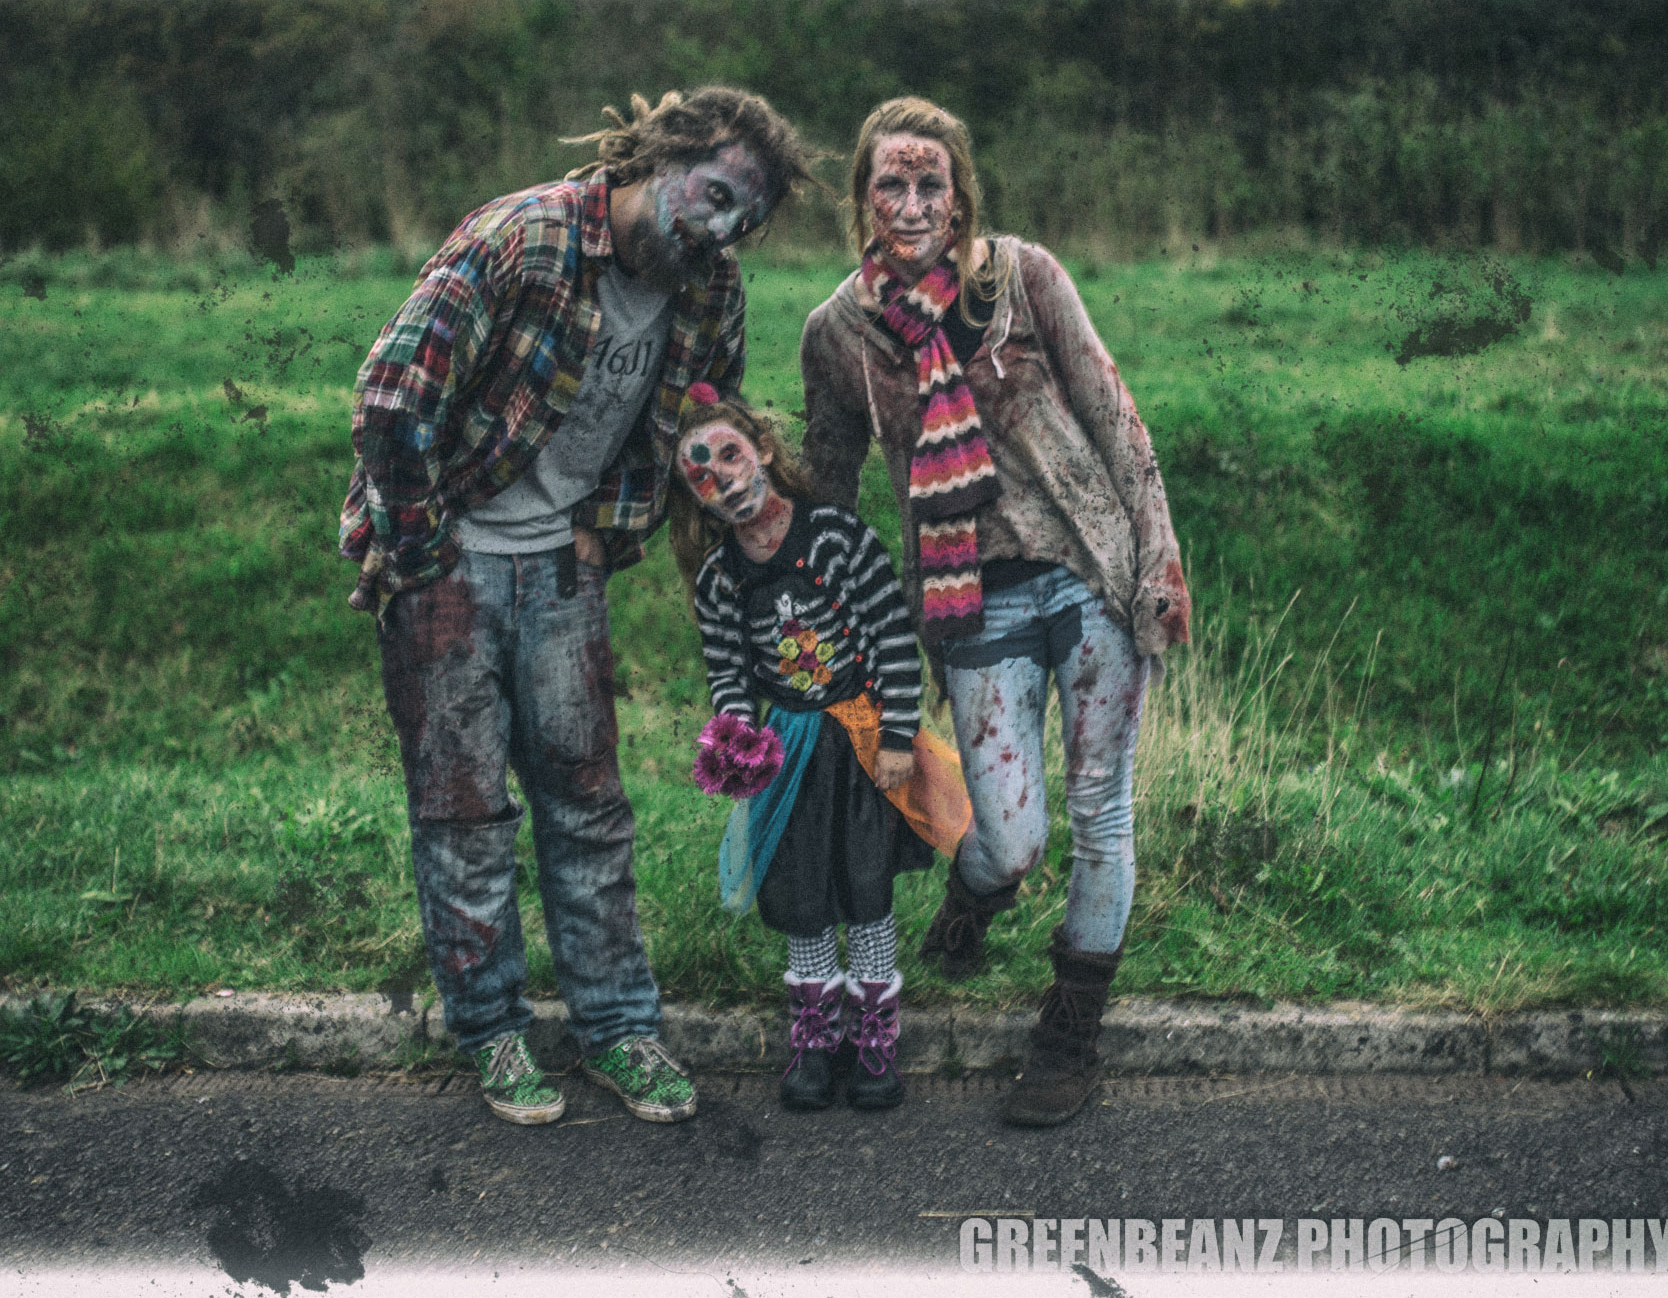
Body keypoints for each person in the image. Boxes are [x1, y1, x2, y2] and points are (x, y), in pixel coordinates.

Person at [338, 87, 815, 1126]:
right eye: (715, 193)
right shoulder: (526, 236)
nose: (722, 225)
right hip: (450, 565)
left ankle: (616, 1028)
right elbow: (389, 393)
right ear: (661, 157)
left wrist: (617, 524)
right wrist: (420, 551)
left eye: (746, 215)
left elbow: (696, 422)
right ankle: (495, 1033)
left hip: (563, 572)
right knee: (464, 814)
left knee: (587, 806)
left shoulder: (708, 288)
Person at [799, 97, 1192, 1127]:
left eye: (932, 183)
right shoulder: (837, 332)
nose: (913, 201)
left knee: (1101, 804)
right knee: (1010, 836)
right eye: (892, 182)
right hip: (964, 592)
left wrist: (1159, 551)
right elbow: (830, 488)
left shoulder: (1021, 276)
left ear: (960, 191)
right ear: (863, 197)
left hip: (1087, 563)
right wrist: (808, 610)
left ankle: (1067, 1035)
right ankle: (975, 894)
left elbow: (1112, 408)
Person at [669, 390, 972, 1112]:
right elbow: (731, 677)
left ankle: (873, 1034)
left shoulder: (834, 536)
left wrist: (898, 732)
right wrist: (739, 745)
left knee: (865, 886)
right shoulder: (720, 581)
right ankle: (815, 1031)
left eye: (731, 456)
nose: (725, 480)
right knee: (803, 889)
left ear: (765, 450)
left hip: (862, 737)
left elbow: (893, 635)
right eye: (701, 476)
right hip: (790, 747)